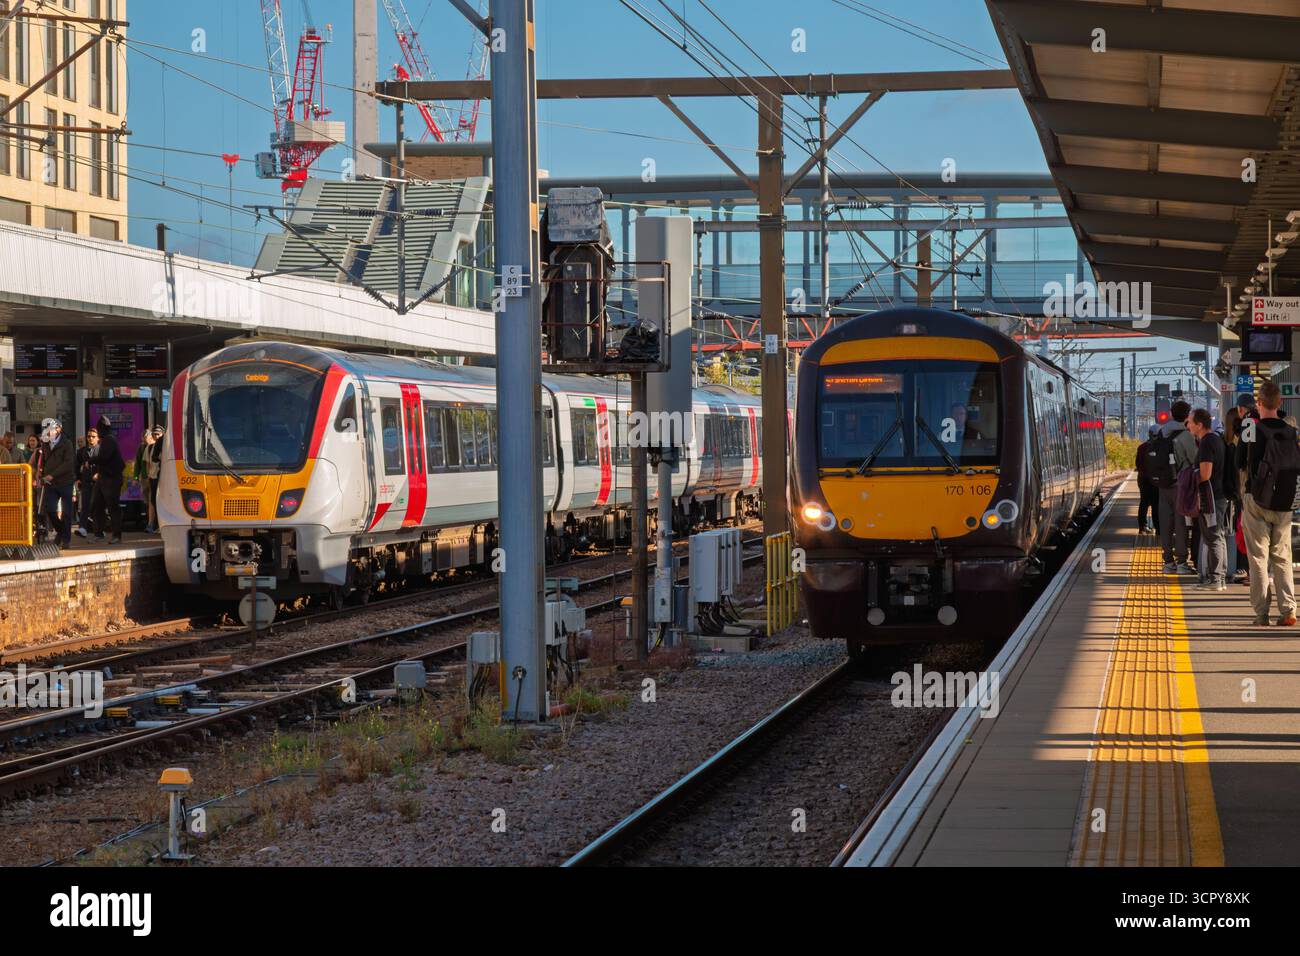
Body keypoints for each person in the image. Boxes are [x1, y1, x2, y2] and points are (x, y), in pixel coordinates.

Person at [1239, 380, 1296, 625]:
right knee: (1282, 557)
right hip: (1284, 500)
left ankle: (1261, 614)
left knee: (1258, 558)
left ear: (1259, 403)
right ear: (1280, 402)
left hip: (1257, 499)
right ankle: (1289, 611)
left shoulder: (1251, 426)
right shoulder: (1290, 428)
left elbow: (1239, 459)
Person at [1188, 408, 1228, 591]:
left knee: (1212, 537)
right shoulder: (1216, 440)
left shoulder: (1206, 443)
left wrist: (1189, 476)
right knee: (1217, 536)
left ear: (1199, 425)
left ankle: (1216, 580)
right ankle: (1219, 579)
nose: (1187, 425)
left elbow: (1205, 474)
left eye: (1190, 422)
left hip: (1210, 498)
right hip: (1218, 496)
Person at [1157, 400, 1198, 575]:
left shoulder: (1161, 431)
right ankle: (1181, 562)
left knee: (1165, 522)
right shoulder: (1187, 435)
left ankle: (1168, 562)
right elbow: (1194, 459)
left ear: (1172, 413)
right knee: (1181, 523)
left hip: (1163, 483)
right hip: (1181, 484)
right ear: (1187, 415)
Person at [37, 418, 75, 550]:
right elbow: (44, 461)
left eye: (51, 428)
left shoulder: (67, 443)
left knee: (67, 512)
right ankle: (61, 531)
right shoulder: (45, 443)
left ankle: (66, 539)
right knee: (50, 509)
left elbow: (68, 463)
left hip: (65, 482)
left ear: (59, 429)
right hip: (50, 483)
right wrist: (42, 475)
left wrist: (52, 474)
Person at [89, 414, 126, 545]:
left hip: (111, 479)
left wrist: (91, 460)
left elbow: (104, 457)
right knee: (97, 505)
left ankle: (116, 535)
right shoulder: (107, 439)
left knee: (112, 507)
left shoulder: (109, 440)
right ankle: (98, 533)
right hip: (104, 477)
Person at [1135, 424, 1161, 534]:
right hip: (1157, 480)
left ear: (1149, 434)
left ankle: (1142, 527)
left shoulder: (1141, 447)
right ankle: (1158, 528)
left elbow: (1137, 464)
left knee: (1144, 503)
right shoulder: (1161, 447)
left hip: (1143, 479)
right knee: (1156, 505)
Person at [75, 428, 99, 537]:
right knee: (84, 506)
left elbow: (106, 465)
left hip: (99, 483)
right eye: (89, 436)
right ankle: (82, 528)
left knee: (96, 506)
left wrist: (99, 474)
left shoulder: (101, 450)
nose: (90, 439)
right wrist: (78, 478)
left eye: (93, 436)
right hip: (86, 481)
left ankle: (99, 529)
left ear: (98, 438)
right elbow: (76, 467)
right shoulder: (81, 451)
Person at [134, 430, 156, 533]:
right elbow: (137, 463)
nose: (143, 440)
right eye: (143, 438)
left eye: (145, 437)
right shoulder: (141, 448)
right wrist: (135, 477)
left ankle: (151, 523)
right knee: (147, 500)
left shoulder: (154, 446)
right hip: (144, 478)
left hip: (152, 477)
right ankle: (150, 521)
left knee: (152, 500)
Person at [146, 425, 165, 533]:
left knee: (158, 500)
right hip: (155, 476)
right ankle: (155, 524)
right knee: (154, 500)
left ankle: (158, 525)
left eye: (158, 434)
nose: (157, 436)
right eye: (155, 434)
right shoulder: (149, 447)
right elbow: (148, 461)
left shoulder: (162, 442)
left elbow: (154, 458)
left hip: (162, 475)